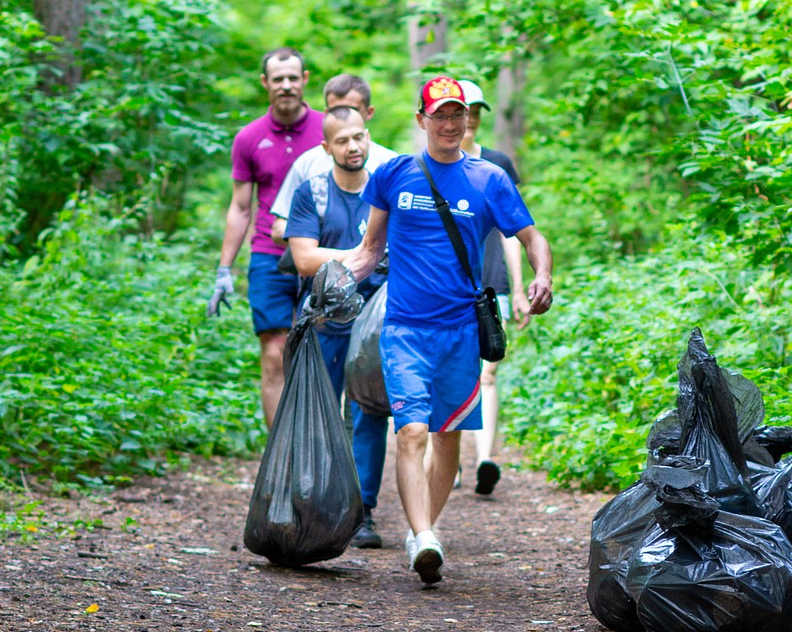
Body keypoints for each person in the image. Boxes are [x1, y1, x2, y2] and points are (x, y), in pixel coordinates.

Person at [343, 76, 554, 585]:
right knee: (411, 430)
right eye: (439, 114)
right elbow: (370, 250)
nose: (450, 123)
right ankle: (425, 536)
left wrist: (542, 275)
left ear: (467, 119)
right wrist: (333, 289)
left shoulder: (489, 180)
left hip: (461, 332)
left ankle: (423, 531)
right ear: (421, 121)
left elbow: (531, 235)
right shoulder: (392, 174)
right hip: (405, 329)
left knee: (448, 438)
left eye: (457, 114)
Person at [285, 106, 391, 549]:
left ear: (369, 137)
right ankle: (315, 504)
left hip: (375, 319)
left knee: (370, 411)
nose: (354, 147)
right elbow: (303, 258)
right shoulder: (313, 193)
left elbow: (321, 254)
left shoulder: (387, 189)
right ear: (326, 147)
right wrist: (366, 253)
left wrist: (337, 254)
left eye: (360, 137)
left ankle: (363, 511)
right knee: (320, 409)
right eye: (343, 140)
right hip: (326, 316)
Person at [206, 47, 325, 429]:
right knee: (275, 354)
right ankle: (282, 457)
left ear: (305, 79)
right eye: (278, 79)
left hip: (321, 254)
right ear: (265, 84)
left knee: (321, 351)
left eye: (293, 78)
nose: (286, 86)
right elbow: (241, 207)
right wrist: (224, 268)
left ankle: (320, 447)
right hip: (268, 256)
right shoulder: (249, 138)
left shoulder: (329, 129)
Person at [456, 79, 531, 497]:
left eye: (475, 111)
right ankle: (451, 459)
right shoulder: (435, 165)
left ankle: (485, 458)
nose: (470, 119)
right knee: (454, 370)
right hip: (450, 284)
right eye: (463, 110)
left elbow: (513, 229)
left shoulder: (498, 163)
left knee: (488, 372)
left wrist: (518, 288)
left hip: (491, 281)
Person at [269, 74, 397, 245]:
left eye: (352, 110)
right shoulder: (307, 162)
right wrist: (322, 233)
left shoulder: (390, 164)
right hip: (322, 265)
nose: (344, 117)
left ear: (369, 112)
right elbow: (279, 228)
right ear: (326, 113)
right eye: (336, 111)